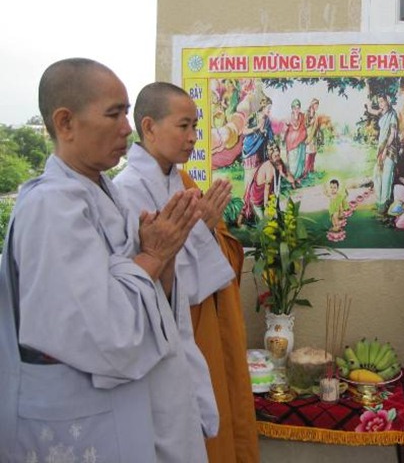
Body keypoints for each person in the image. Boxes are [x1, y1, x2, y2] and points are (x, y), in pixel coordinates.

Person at [0, 58, 211, 462]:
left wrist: (163, 257)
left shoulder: (107, 194)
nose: (127, 129)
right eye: (114, 114)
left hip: (135, 404)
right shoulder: (51, 206)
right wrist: (152, 256)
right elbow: (106, 333)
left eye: (126, 114)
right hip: (82, 419)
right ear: (66, 123)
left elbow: (152, 300)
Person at [113, 82, 260, 462]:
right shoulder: (126, 192)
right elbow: (136, 277)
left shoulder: (180, 182)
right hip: (166, 335)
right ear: (149, 127)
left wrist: (206, 229)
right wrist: (199, 229)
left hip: (202, 325)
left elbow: (209, 261)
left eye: (195, 126)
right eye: (184, 126)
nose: (194, 137)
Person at [238, 141, 296, 224]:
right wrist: (266, 205)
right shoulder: (269, 166)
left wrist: (292, 180)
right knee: (265, 223)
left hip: (271, 196)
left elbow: (287, 175)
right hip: (258, 200)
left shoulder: (278, 162)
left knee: (276, 219)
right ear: (270, 156)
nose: (277, 156)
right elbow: (267, 188)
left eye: (278, 154)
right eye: (275, 155)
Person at [367, 94, 399, 216]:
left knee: (386, 176)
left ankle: (384, 203)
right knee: (377, 174)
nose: (380, 103)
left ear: (387, 101)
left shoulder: (392, 114)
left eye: (382, 101)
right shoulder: (382, 113)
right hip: (381, 148)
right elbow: (370, 110)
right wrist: (369, 101)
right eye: (379, 101)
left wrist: (386, 149)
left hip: (390, 148)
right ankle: (379, 200)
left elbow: (392, 134)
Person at [242, 96, 273, 189]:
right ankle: (248, 193)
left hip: (260, 150)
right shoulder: (253, 117)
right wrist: (256, 128)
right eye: (268, 108)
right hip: (250, 149)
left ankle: (255, 194)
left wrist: (267, 135)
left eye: (270, 108)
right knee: (250, 173)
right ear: (263, 107)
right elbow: (244, 131)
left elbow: (270, 136)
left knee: (259, 173)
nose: (270, 110)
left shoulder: (267, 120)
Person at [284, 98, 307, 180]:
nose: (296, 110)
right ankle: (293, 177)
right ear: (292, 108)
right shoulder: (290, 116)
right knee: (293, 159)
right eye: (295, 108)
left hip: (300, 140)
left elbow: (303, 127)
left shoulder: (302, 116)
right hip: (292, 141)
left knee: (300, 159)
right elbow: (290, 127)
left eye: (298, 108)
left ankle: (299, 176)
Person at [304, 98, 321, 175]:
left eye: (318, 105)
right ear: (312, 105)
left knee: (313, 153)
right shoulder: (306, 113)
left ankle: (311, 169)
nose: (317, 106)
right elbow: (304, 125)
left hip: (313, 136)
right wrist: (311, 123)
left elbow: (316, 126)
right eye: (316, 105)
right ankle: (306, 171)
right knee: (308, 153)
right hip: (307, 135)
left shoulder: (316, 115)